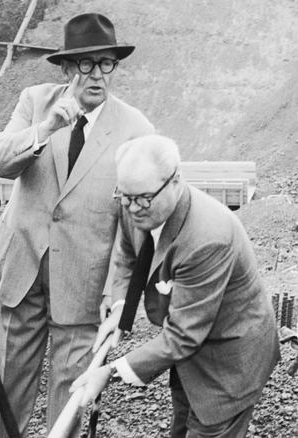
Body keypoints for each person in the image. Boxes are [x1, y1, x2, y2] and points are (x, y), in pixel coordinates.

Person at [0, 13, 155, 437]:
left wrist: (118, 296)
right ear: (65, 68)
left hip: (84, 286)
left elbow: (135, 227)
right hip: (23, 273)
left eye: (106, 63)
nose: (97, 75)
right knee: (7, 391)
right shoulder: (35, 102)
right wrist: (47, 128)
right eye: (86, 64)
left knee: (70, 403)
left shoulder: (136, 129)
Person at [70, 134, 280, 438]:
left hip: (229, 362)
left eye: (142, 198)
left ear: (176, 181)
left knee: (209, 427)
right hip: (192, 359)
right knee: (183, 425)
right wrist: (120, 310)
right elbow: (129, 256)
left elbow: (183, 336)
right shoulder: (135, 201)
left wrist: (109, 372)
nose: (132, 208)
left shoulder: (208, 237)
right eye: (124, 197)